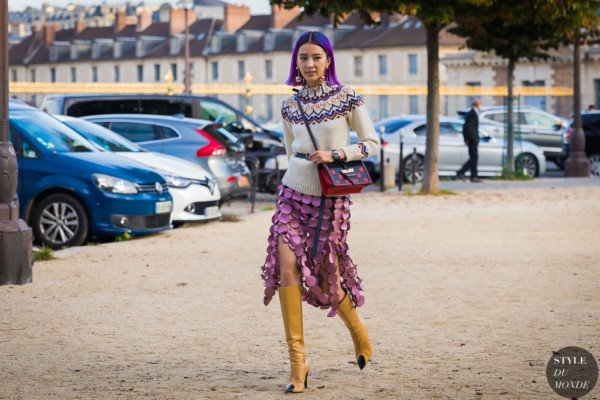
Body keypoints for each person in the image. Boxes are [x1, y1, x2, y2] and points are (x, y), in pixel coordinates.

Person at [260, 31, 380, 394]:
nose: (309, 64)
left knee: (329, 279)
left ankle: (359, 331)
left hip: (331, 198)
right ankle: (299, 362)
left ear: (328, 60)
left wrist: (338, 154)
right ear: (295, 62)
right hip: (291, 194)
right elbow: (289, 149)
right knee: (286, 267)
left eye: (316, 57)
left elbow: (371, 143)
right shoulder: (288, 106)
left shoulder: (347, 98)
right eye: (303, 58)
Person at [457, 98, 482, 183]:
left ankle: (473, 176)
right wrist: (467, 138)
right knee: (474, 157)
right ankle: (462, 172)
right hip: (472, 139)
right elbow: (468, 127)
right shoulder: (472, 113)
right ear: (477, 104)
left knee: (474, 157)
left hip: (472, 139)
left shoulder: (472, 113)